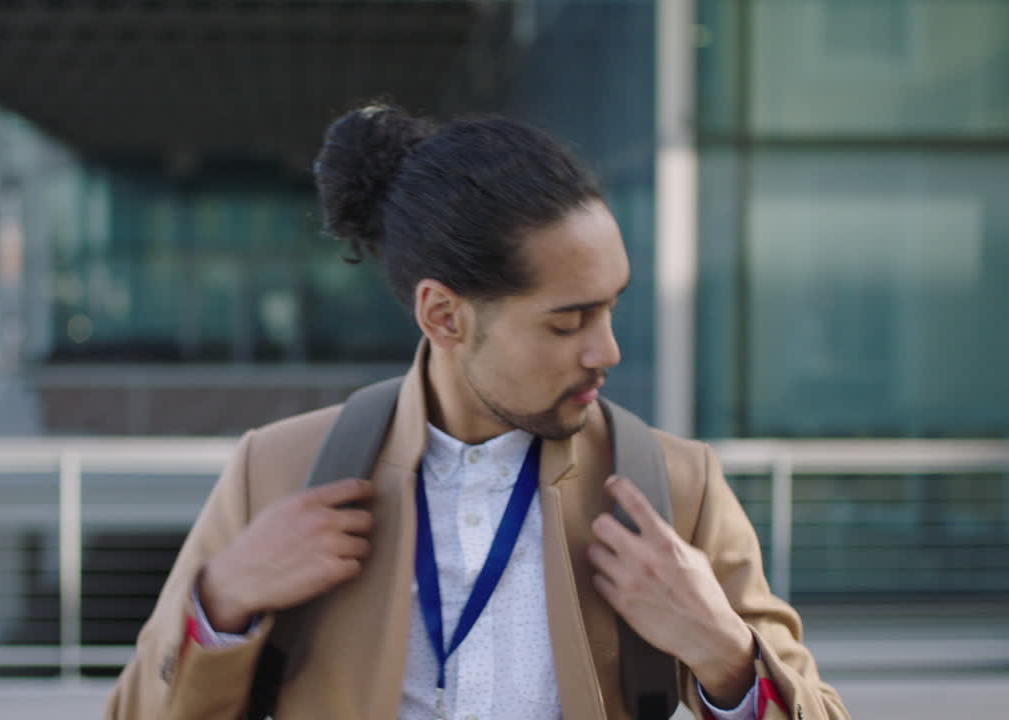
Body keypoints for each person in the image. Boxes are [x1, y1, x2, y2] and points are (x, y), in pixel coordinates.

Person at [106, 106, 848, 720]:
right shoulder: (278, 472)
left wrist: (722, 650)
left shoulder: (669, 489)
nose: (608, 350)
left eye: (613, 308)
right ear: (444, 316)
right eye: (568, 322)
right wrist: (224, 601)